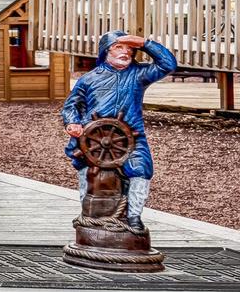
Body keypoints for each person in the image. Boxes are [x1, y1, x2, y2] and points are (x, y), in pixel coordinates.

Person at [61, 30, 177, 230]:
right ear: (106, 51)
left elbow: (168, 64)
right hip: (92, 139)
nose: (126, 52)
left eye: (130, 49)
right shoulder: (88, 79)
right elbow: (71, 105)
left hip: (131, 137)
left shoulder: (139, 74)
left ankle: (134, 216)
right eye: (119, 47)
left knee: (141, 170)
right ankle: (88, 214)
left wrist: (145, 43)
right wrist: (73, 122)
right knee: (87, 171)